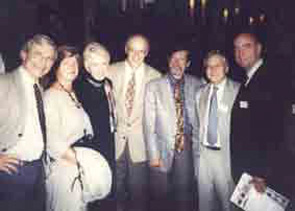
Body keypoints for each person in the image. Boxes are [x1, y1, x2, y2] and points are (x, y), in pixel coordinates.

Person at [44, 45, 111, 211]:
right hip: (66, 168)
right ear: (56, 66)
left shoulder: (73, 92)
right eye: (67, 63)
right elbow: (52, 141)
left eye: (75, 63)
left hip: (77, 167)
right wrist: (83, 163)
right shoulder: (51, 96)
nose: (73, 67)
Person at [0, 34, 56, 211]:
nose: (43, 62)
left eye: (49, 58)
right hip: (12, 172)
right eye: (38, 54)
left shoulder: (39, 88)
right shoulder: (4, 82)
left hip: (37, 169)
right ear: (24, 54)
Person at [144, 47, 201, 211]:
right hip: (161, 146)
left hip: (187, 146)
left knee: (183, 195)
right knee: (160, 196)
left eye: (182, 59)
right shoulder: (153, 86)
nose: (177, 63)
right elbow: (148, 125)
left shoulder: (196, 84)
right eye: (173, 58)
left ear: (188, 63)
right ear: (168, 61)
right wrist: (153, 155)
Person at [109, 34, 161, 211]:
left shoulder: (156, 77)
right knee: (114, 192)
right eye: (133, 50)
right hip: (114, 141)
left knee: (138, 196)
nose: (137, 55)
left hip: (140, 145)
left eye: (142, 51)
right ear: (126, 49)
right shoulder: (109, 71)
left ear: (147, 53)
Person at [230, 33, 279, 195]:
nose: (240, 52)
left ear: (258, 49)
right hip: (248, 170)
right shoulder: (248, 79)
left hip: (260, 175)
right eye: (237, 48)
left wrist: (261, 172)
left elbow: (275, 129)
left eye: (246, 46)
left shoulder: (270, 79)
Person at [195, 51, 240, 211]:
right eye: (208, 66)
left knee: (228, 203)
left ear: (226, 68)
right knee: (204, 203)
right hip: (204, 156)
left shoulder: (238, 91)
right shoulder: (200, 93)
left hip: (225, 157)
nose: (212, 70)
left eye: (217, 65)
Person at [74, 42, 117, 211]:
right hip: (91, 148)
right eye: (95, 64)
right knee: (93, 195)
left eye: (104, 63)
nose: (101, 68)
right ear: (86, 65)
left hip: (109, 142)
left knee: (109, 191)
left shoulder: (108, 84)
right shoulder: (79, 88)